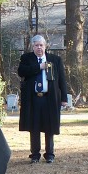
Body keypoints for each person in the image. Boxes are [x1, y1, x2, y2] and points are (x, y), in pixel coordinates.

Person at [18, 34, 68, 163]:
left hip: (50, 98)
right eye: (36, 45)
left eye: (41, 45)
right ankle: (35, 154)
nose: (39, 48)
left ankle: (50, 154)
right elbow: (21, 72)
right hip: (33, 98)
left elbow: (62, 80)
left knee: (49, 126)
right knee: (34, 126)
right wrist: (39, 67)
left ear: (45, 46)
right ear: (32, 47)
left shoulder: (55, 59)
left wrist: (64, 98)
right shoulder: (26, 58)